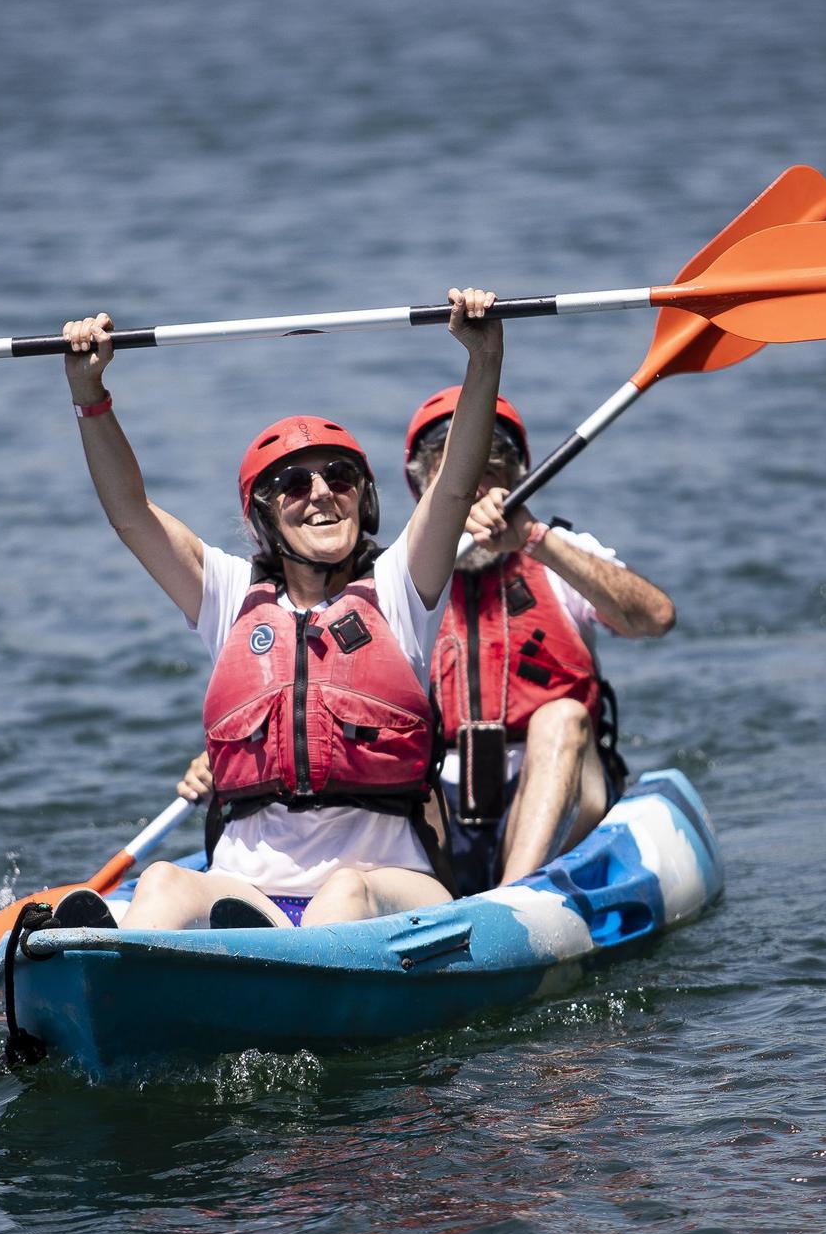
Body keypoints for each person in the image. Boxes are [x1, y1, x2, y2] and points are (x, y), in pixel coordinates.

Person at [58, 288, 510, 931]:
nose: (322, 494)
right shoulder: (229, 597)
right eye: (295, 485)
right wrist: (89, 394)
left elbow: (457, 484)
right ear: (265, 517)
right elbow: (130, 514)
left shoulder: (401, 590)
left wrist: (483, 357)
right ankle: (122, 977)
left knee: (344, 892)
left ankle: (282, 976)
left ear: (365, 499)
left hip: (386, 897)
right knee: (160, 883)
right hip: (253, 896)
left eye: (340, 478)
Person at [179, 389, 676, 896]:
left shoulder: (558, 556)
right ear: (427, 489)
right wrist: (235, 756)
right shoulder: (393, 586)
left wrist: (535, 539)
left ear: (519, 478)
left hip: (560, 794)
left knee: (562, 718)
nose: (479, 494)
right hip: (437, 802)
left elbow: (656, 618)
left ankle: (511, 902)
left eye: (494, 474)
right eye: (462, 478)